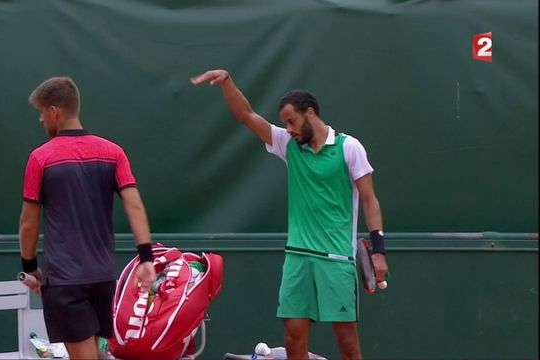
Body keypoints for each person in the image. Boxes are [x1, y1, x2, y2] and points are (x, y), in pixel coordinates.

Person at [191, 70, 389, 360]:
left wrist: (379, 251)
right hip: (298, 257)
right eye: (285, 124)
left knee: (347, 342)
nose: (289, 128)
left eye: (292, 121)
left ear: (310, 113)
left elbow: (370, 201)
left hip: (336, 260)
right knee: (293, 334)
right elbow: (246, 115)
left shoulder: (350, 148)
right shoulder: (288, 144)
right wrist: (227, 81)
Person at [19, 76, 156, 359]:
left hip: (65, 280)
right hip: (104, 278)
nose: (41, 121)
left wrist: (30, 267)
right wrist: (146, 258)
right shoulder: (113, 152)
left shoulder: (40, 158)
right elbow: (135, 206)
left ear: (54, 111)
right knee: (93, 351)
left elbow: (28, 223)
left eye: (42, 113)